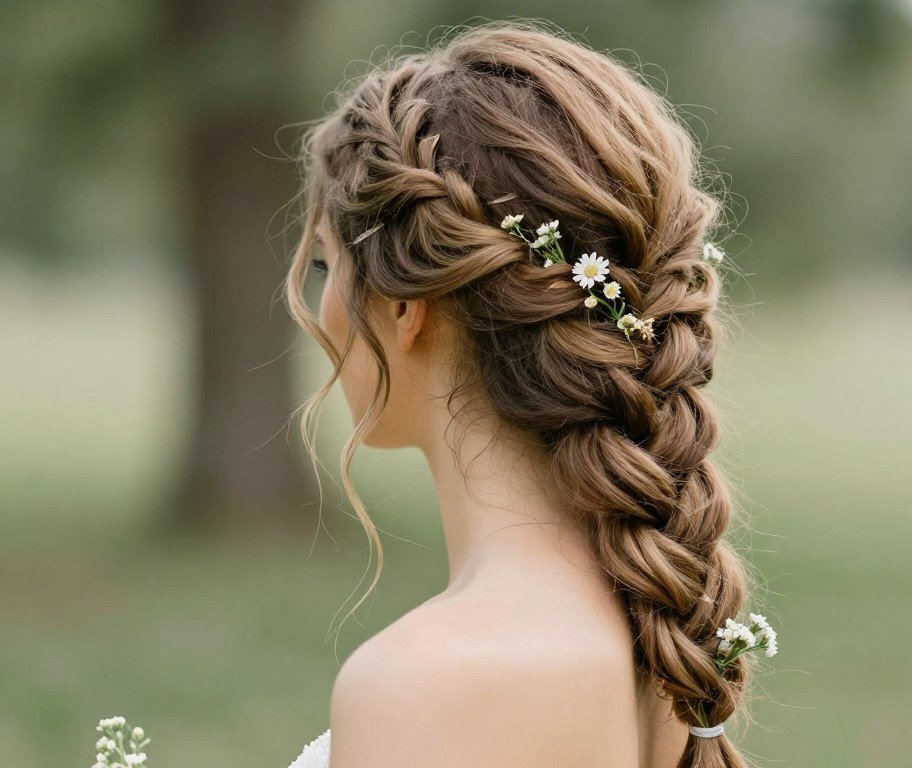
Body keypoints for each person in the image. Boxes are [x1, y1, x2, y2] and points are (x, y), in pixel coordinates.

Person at [284, 20, 767, 768]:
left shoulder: (433, 681)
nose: (323, 312)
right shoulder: (658, 641)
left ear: (407, 307)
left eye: (326, 268)